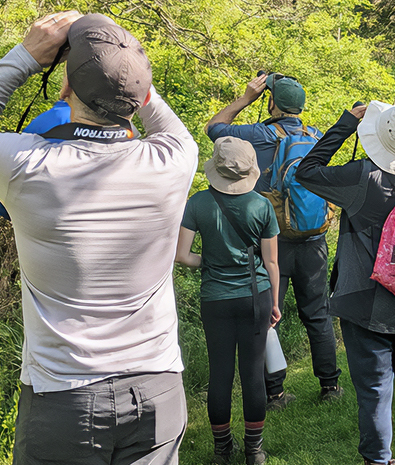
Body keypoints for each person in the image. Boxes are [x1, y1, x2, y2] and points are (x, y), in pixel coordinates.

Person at [0, 11, 198, 465]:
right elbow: (148, 101)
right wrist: (119, 50)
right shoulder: (174, 159)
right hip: (159, 388)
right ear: (139, 94)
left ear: (66, 87)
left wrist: (27, 55)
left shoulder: (25, 166)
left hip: (63, 396)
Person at [294, 101, 395, 465]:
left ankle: (378, 460)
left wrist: (347, 122)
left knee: (375, 391)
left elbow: (307, 171)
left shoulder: (361, 177)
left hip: (366, 301)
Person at [205, 72, 342, 409]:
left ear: (272, 103)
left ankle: (276, 394)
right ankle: (330, 386)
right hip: (313, 240)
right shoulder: (317, 135)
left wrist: (245, 98)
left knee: (268, 316)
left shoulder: (261, 134)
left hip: (272, 243)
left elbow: (214, 128)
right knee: (318, 313)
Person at [176, 136, 281, 465]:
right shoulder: (261, 205)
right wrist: (275, 302)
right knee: (252, 373)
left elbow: (182, 255)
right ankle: (255, 450)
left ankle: (222, 450)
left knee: (220, 374)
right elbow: (272, 262)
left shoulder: (198, 203)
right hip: (256, 296)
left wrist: (208, 262)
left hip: (215, 300)